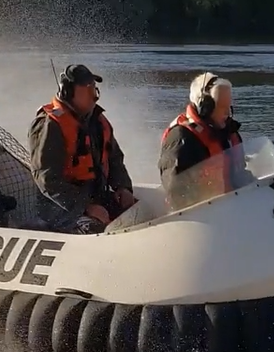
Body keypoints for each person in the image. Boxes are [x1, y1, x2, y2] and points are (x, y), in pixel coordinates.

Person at [27, 64, 136, 234]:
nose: (94, 95)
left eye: (94, 88)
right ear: (69, 93)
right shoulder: (50, 125)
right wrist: (85, 207)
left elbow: (114, 159)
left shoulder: (97, 121)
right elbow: (47, 179)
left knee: (137, 212)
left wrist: (123, 187)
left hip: (94, 197)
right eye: (88, 89)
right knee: (93, 227)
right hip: (59, 206)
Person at [158, 72, 252, 200]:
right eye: (221, 107)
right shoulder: (182, 138)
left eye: (228, 107)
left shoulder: (230, 134)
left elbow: (240, 176)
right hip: (202, 213)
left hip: (231, 206)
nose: (227, 113)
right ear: (205, 106)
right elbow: (176, 192)